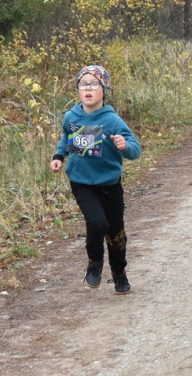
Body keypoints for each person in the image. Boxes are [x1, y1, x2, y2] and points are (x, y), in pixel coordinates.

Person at [49, 64, 142, 294]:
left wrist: (124, 146)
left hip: (109, 185)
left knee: (116, 233)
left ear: (104, 89)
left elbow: (135, 149)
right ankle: (94, 262)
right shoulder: (72, 116)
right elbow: (67, 137)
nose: (87, 88)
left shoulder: (112, 121)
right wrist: (59, 156)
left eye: (93, 84)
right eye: (83, 84)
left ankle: (119, 272)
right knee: (97, 222)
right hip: (82, 182)